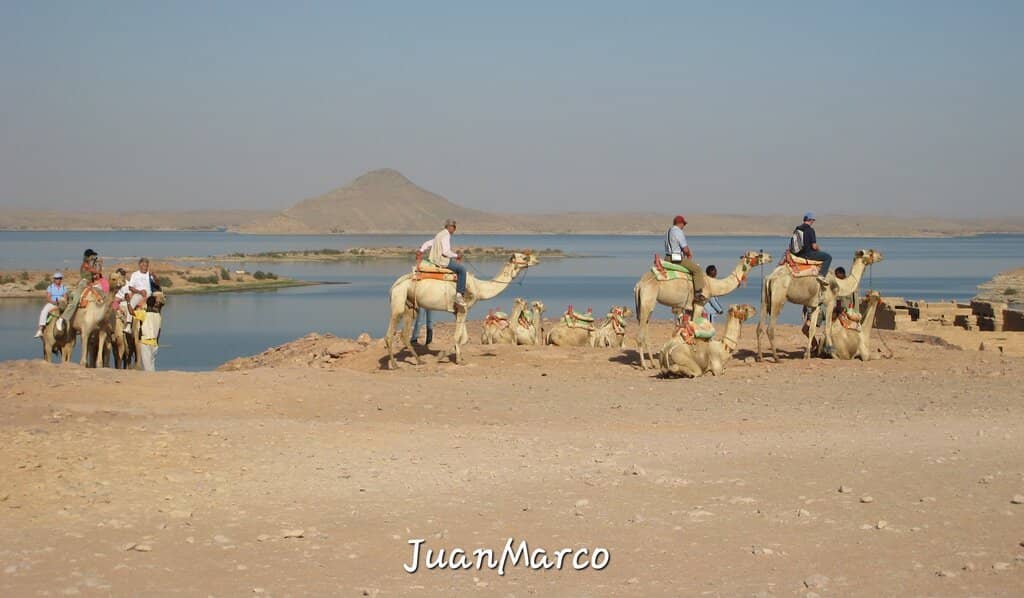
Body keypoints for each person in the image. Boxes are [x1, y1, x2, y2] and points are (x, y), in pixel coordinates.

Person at [57, 249, 103, 332]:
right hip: (83, 284)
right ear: (88, 257)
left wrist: (96, 264)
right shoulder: (85, 265)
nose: (93, 257)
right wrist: (100, 265)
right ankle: (62, 319)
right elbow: (98, 272)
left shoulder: (89, 265)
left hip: (90, 285)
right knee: (75, 302)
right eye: (92, 256)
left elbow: (96, 275)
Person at [663, 215, 707, 301]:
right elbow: (685, 248)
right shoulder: (678, 231)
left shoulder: (668, 231)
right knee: (697, 270)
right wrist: (689, 254)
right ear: (680, 223)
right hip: (675, 258)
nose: (684, 226)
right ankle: (697, 294)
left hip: (667, 257)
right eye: (684, 224)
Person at [427, 219, 468, 307]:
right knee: (462, 270)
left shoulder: (440, 234)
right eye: (454, 227)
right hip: (441, 261)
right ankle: (459, 295)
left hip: (435, 259)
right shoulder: (446, 235)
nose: (454, 230)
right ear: (450, 227)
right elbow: (445, 252)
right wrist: (457, 256)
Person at [790, 212, 831, 281]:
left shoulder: (797, 229)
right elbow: (814, 246)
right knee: (828, 257)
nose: (813, 222)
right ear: (810, 220)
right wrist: (819, 250)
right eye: (813, 220)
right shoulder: (810, 230)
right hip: (808, 254)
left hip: (797, 254)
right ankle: (821, 275)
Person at [34, 272, 67, 338]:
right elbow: (48, 297)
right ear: (54, 279)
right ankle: (40, 329)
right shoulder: (50, 287)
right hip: (52, 303)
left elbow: (65, 297)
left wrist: (62, 302)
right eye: (57, 278)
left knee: (70, 310)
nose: (58, 280)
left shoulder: (63, 287)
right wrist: (53, 302)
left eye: (60, 278)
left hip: (61, 303)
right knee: (44, 311)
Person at [135, 295, 162, 371]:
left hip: (145, 342)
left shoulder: (143, 314)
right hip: (154, 343)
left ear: (147, 303)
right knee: (152, 364)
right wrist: (157, 341)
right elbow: (159, 330)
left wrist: (128, 302)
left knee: (147, 365)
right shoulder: (158, 315)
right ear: (154, 304)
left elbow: (131, 312)